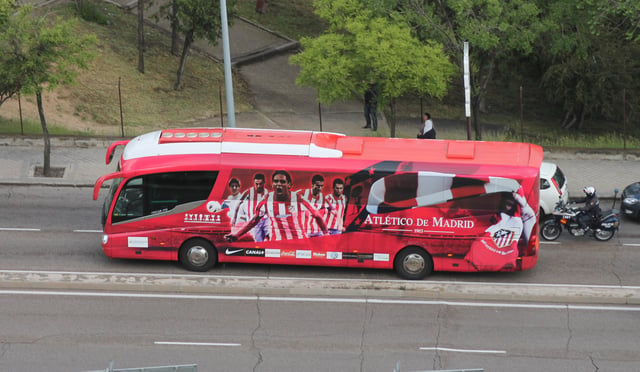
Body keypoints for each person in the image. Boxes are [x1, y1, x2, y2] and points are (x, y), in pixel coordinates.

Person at [225, 170, 328, 242]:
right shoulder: (266, 200)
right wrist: (237, 235)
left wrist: (326, 235)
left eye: (282, 182)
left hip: (298, 242)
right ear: (272, 184)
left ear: (289, 185)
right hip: (276, 244)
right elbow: (254, 220)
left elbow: (317, 216)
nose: (279, 184)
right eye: (276, 181)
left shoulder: (297, 199)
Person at [233, 173, 270, 241]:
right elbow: (238, 203)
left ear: (264, 182)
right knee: (258, 242)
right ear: (254, 182)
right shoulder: (249, 192)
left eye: (260, 184)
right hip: (253, 222)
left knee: (271, 235)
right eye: (256, 184)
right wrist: (234, 219)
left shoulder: (267, 192)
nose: (258, 186)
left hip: (265, 219)